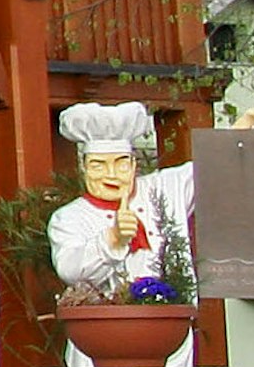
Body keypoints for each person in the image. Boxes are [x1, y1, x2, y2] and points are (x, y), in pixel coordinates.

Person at [48, 100, 193, 300]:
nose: (111, 175)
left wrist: (240, 132)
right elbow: (69, 270)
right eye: (98, 166)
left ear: (134, 165)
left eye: (121, 165)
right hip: (106, 328)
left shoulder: (163, 188)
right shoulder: (68, 218)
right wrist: (113, 239)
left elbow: (211, 167)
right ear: (84, 168)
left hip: (174, 324)